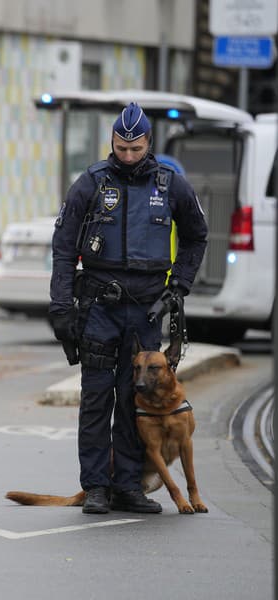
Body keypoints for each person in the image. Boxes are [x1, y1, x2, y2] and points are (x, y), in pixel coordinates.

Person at [49, 102, 208, 515]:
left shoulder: (171, 184)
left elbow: (196, 237)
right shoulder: (91, 183)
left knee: (136, 400)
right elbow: (64, 248)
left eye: (136, 149)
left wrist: (180, 287)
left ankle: (129, 486)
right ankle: (97, 486)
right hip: (100, 307)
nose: (128, 157)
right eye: (122, 149)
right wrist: (61, 307)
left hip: (148, 311)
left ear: (148, 144)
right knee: (97, 399)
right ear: (112, 143)